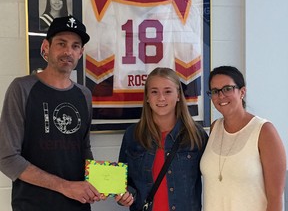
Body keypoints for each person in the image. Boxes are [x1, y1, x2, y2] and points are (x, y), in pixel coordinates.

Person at [0, 16, 103, 211]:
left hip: (77, 205)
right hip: (33, 205)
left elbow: (84, 148)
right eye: (61, 44)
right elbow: (7, 158)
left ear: (80, 53)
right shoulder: (21, 88)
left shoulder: (84, 94)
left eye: (75, 46)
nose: (68, 52)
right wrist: (65, 187)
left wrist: (104, 184)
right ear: (46, 47)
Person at [115, 67, 208, 211]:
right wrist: (123, 195)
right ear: (147, 97)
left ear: (178, 95)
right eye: (154, 92)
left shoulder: (196, 135)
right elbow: (123, 183)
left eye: (168, 91)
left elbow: (215, 179)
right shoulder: (132, 135)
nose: (161, 98)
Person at [200, 66, 286, 211]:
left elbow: (276, 198)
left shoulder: (264, 131)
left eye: (227, 89)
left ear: (242, 92)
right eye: (215, 91)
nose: (221, 96)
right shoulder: (215, 127)